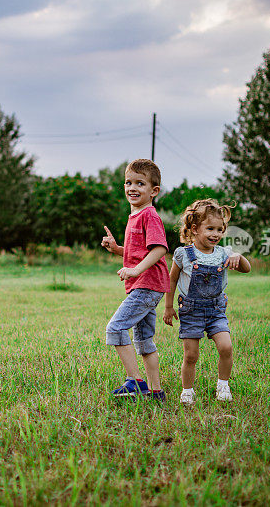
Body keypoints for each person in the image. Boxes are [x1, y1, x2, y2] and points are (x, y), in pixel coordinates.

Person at [162, 198, 251, 404]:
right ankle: (187, 390)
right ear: (194, 229)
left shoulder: (224, 254)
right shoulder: (183, 254)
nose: (216, 234)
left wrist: (239, 256)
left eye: (220, 230)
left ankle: (223, 385)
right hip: (190, 311)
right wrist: (168, 306)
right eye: (210, 228)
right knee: (191, 355)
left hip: (216, 310)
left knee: (226, 347)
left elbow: (246, 269)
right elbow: (172, 278)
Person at [101, 159, 170, 400]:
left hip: (147, 284)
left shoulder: (149, 215)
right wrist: (117, 249)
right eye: (129, 182)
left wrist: (134, 270)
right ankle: (156, 391)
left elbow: (160, 249)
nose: (133, 187)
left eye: (140, 183)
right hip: (147, 284)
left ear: (154, 191)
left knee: (116, 328)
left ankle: (135, 382)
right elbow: (138, 251)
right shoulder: (135, 216)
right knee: (143, 341)